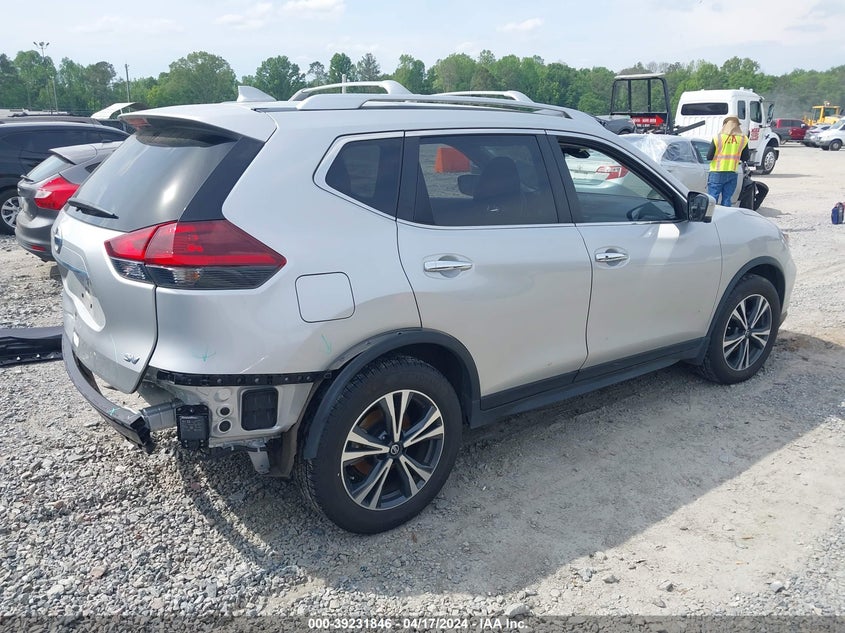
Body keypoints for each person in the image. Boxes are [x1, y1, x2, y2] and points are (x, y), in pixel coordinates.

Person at [706, 115, 750, 206]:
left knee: (712, 199)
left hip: (716, 172)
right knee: (727, 199)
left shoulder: (718, 138)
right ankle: (725, 218)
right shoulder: (743, 139)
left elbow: (709, 156)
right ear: (737, 125)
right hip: (732, 172)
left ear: (725, 124)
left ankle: (711, 218)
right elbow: (746, 157)